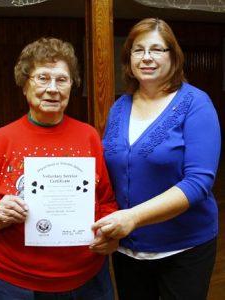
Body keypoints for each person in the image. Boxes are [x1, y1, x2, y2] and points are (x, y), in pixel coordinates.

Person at [0, 37, 118, 300]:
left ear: (72, 86)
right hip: (18, 283)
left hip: (87, 277)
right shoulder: (0, 141)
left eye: (62, 79)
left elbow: (106, 202)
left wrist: (108, 233)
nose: (53, 88)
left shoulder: (89, 136)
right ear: (25, 85)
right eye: (42, 78)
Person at [91, 18, 221, 300]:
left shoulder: (196, 104)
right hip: (127, 247)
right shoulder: (119, 106)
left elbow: (199, 183)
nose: (147, 57)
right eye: (138, 50)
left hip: (183, 247)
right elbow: (109, 172)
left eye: (157, 49)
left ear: (173, 57)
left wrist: (133, 218)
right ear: (129, 58)